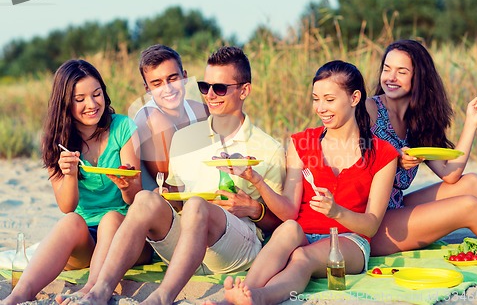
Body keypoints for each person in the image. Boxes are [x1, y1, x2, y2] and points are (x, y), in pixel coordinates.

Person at [64, 46, 286, 305]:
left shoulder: (268, 148)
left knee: (196, 206)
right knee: (147, 199)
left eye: (220, 88)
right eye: (205, 87)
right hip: (184, 246)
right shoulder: (182, 137)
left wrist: (253, 209)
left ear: (244, 90)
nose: (211, 95)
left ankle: (162, 297)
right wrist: (166, 196)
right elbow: (177, 198)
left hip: (235, 248)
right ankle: (99, 292)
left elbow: (280, 224)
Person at [209, 60, 399, 305]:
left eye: (329, 99)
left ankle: (259, 298)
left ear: (354, 98)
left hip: (349, 240)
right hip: (302, 232)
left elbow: (371, 226)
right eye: (315, 98)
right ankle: (235, 298)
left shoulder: (382, 153)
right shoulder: (302, 143)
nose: (320, 108)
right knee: (288, 229)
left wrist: (336, 211)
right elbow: (289, 210)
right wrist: (256, 180)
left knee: (302, 256)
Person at [0, 60, 151, 305]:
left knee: (112, 217)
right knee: (71, 221)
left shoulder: (123, 128)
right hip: (86, 242)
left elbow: (136, 200)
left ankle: (90, 290)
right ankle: (18, 295)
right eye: (79, 99)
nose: (91, 104)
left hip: (126, 235)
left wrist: (127, 185)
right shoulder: (56, 141)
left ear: (104, 92)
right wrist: (69, 175)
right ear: (65, 103)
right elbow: (67, 206)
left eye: (96, 94)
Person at [366, 39, 477, 256]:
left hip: (395, 206)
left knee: (472, 183)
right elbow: (347, 157)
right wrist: (391, 159)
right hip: (371, 222)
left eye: (401, 71)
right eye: (387, 69)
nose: (390, 77)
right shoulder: (369, 109)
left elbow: (450, 174)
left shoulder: (416, 119)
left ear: (418, 78)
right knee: (468, 206)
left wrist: (471, 122)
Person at [133, 44, 208, 190]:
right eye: (157, 83)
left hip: (199, 196)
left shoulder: (200, 111)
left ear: (184, 77)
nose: (168, 89)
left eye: (173, 79)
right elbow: (170, 187)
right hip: (165, 203)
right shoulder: (152, 119)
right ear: (147, 88)